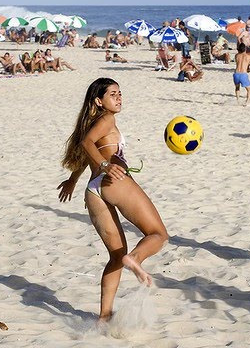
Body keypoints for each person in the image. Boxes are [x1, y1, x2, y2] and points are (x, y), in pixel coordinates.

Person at [57, 78, 168, 322]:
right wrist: (106, 165)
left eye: (120, 93)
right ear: (99, 101)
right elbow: (87, 143)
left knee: (116, 255)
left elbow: (90, 149)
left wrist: (73, 180)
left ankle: (105, 316)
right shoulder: (107, 119)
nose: (119, 98)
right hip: (113, 182)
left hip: (93, 189)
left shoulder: (96, 121)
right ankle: (136, 259)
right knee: (158, 234)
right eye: (113, 94)